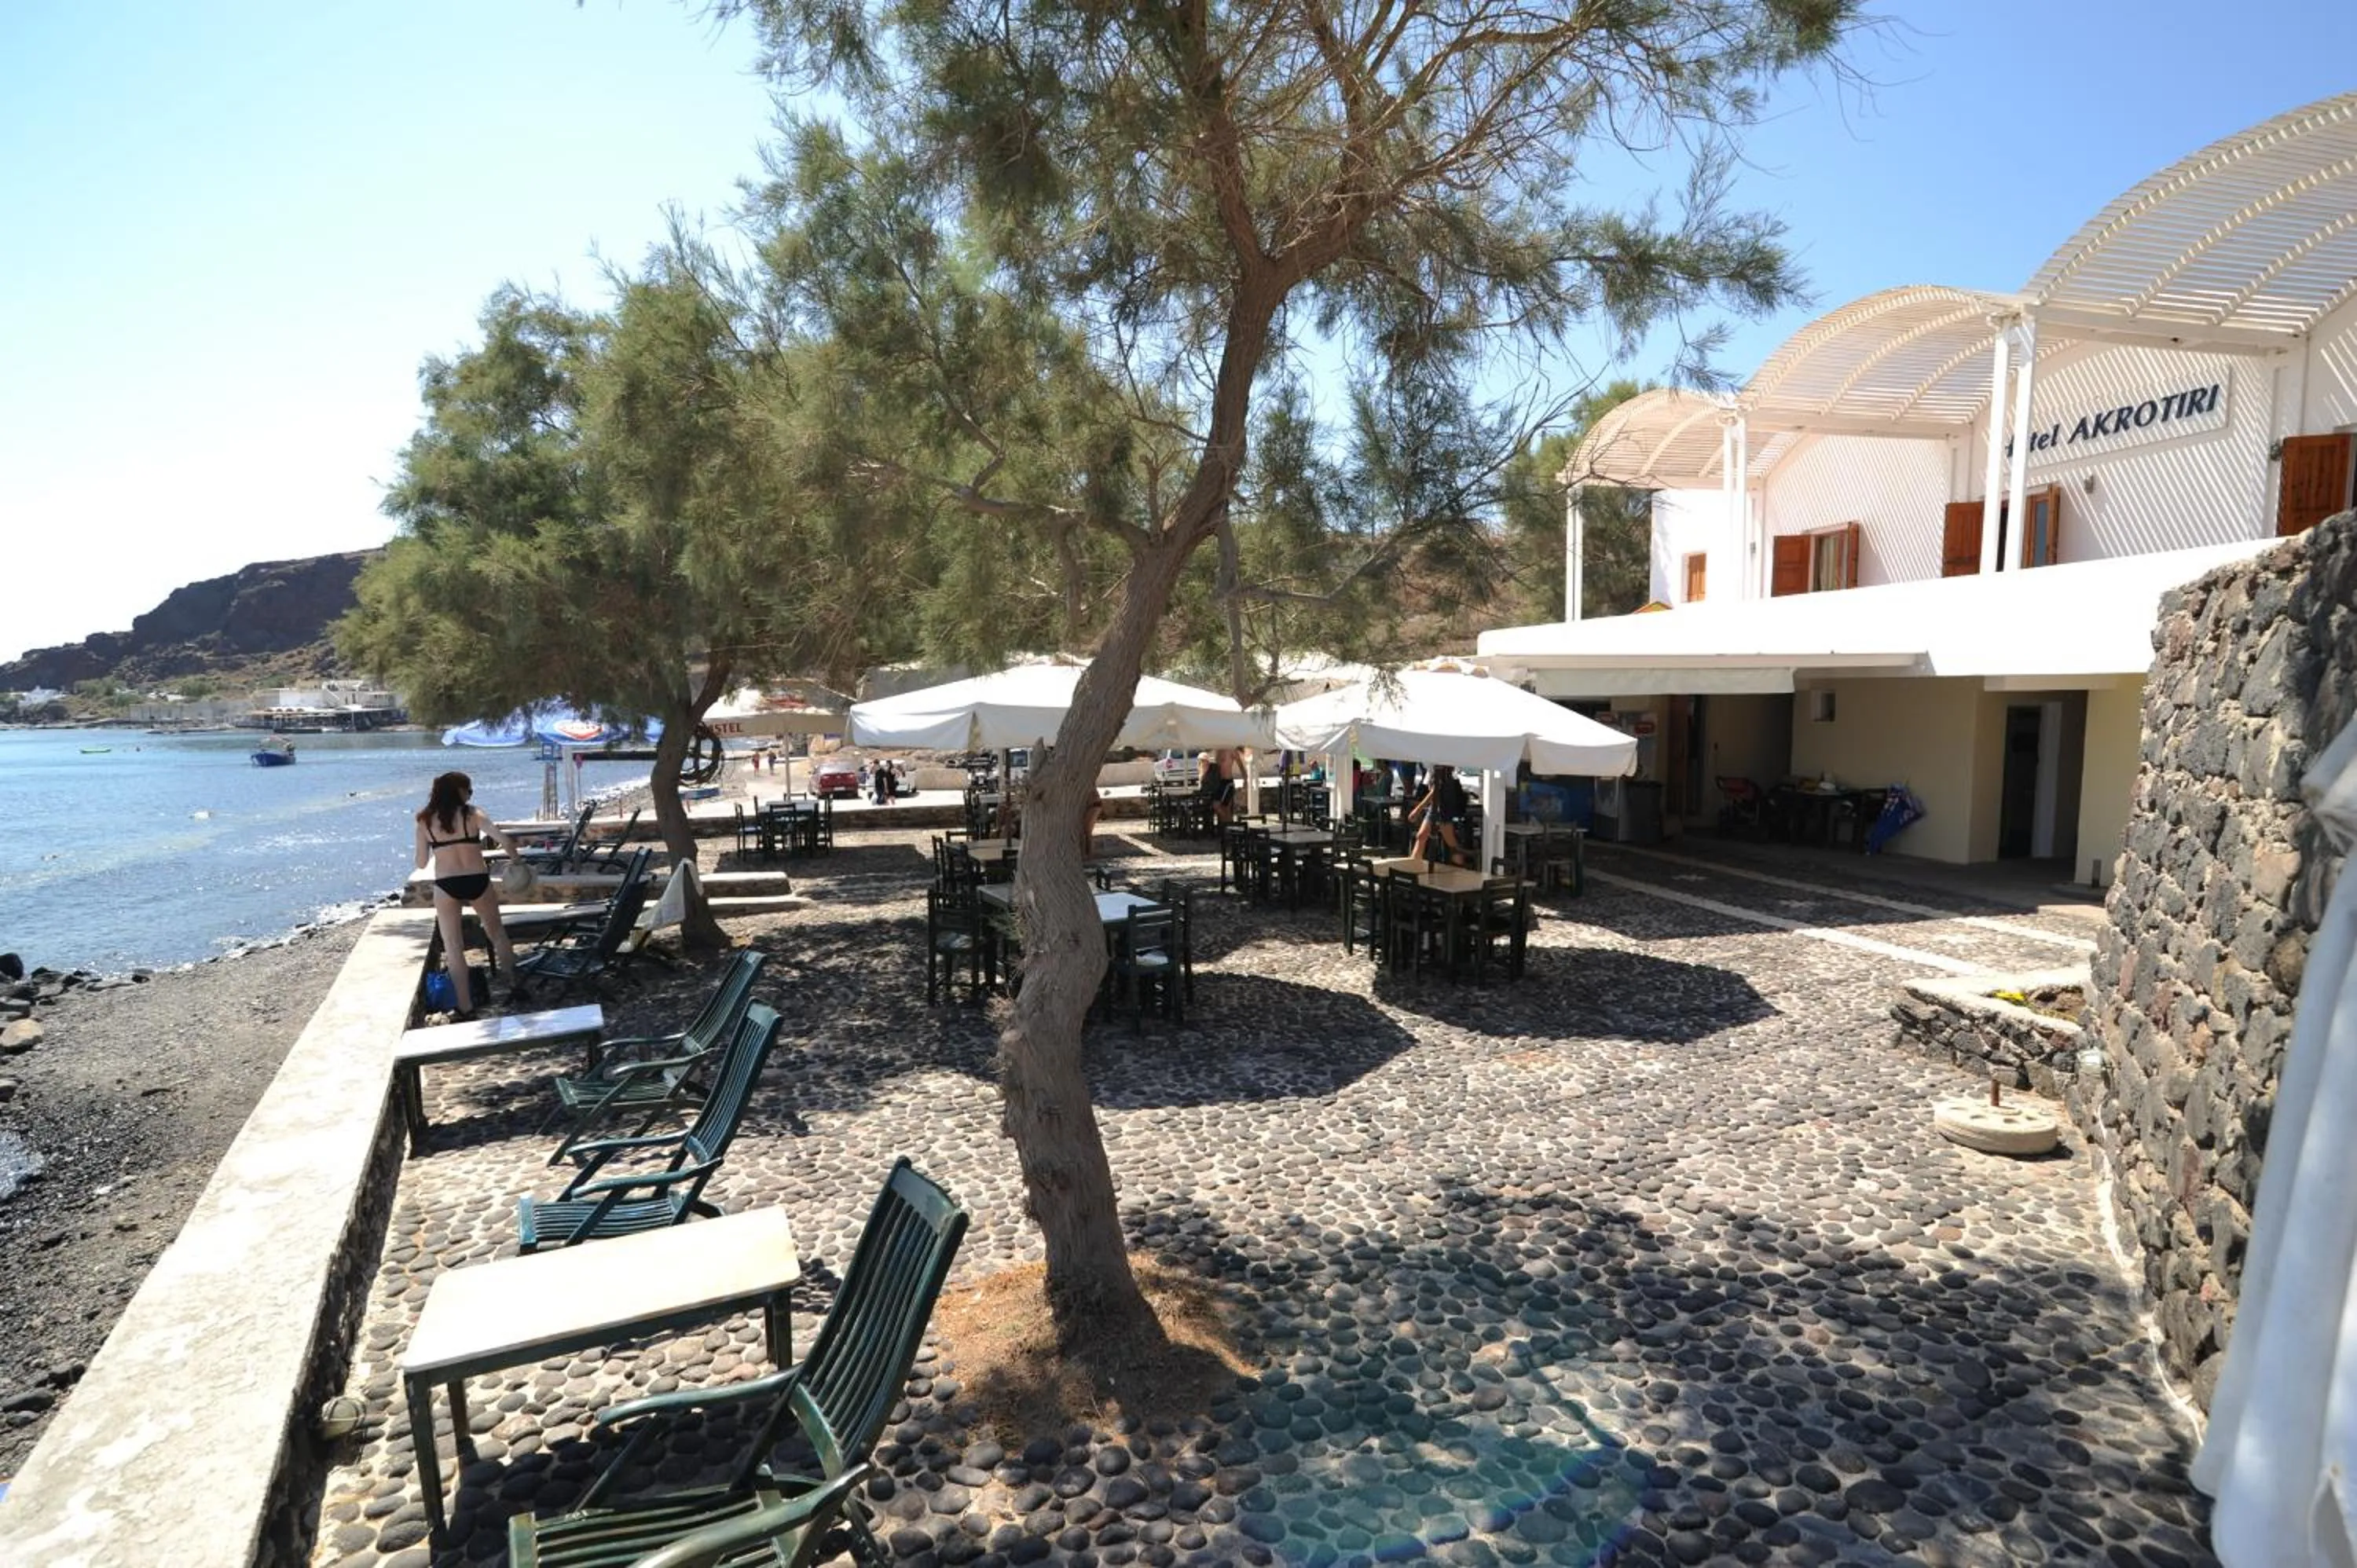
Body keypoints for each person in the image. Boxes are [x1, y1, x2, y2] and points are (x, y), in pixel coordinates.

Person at [412, 771, 519, 1019]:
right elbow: (504, 840)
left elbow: (420, 863)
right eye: (468, 790)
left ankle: (465, 1005)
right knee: (497, 934)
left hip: (447, 883)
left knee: (453, 946)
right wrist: (516, 862)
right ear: (459, 792)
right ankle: (514, 985)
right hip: (477, 879)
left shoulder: (424, 820)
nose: (470, 794)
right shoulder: (473, 814)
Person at [1409, 764, 1472, 867]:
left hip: (1444, 808)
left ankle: (1463, 867)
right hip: (1435, 807)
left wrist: (1417, 810)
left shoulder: (1442, 768)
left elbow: (1435, 791)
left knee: (1451, 842)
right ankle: (1413, 865)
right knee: (1421, 836)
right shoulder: (1436, 767)